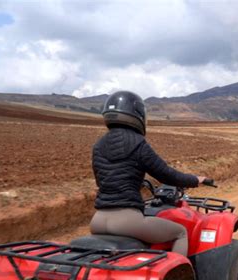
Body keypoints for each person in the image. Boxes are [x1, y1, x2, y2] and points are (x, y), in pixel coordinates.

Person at [89, 91, 208, 256]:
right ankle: (179, 279)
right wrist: (196, 179)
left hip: (98, 221)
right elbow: (167, 175)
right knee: (180, 233)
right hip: (128, 221)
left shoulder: (98, 145)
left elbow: (101, 180)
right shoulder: (138, 143)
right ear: (137, 114)